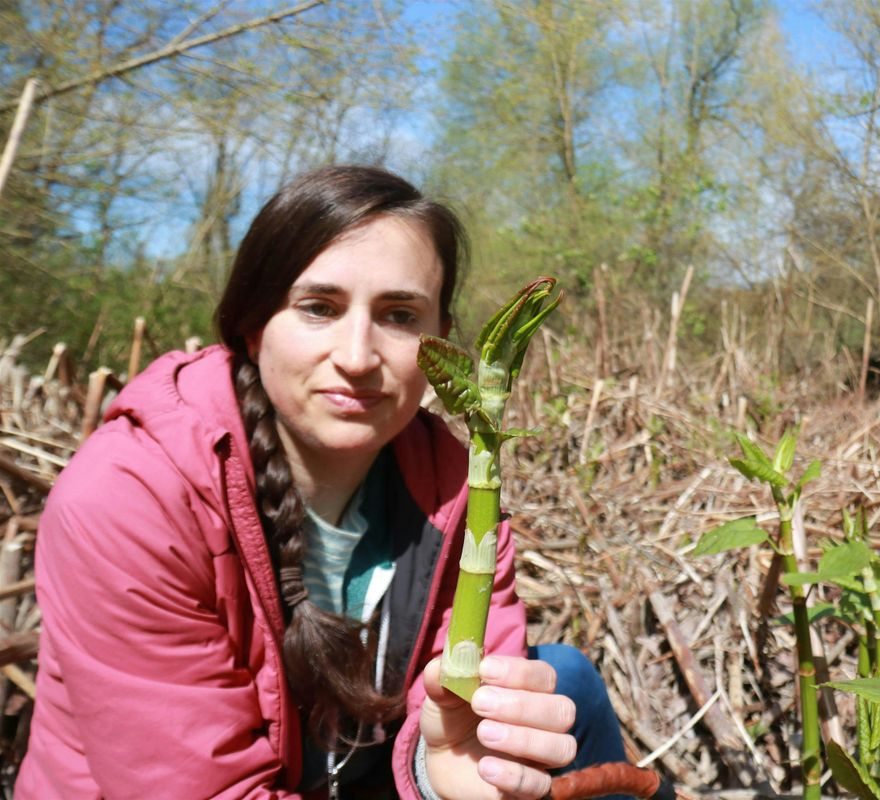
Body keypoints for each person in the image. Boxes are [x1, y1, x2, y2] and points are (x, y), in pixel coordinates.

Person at [16, 166, 628, 799]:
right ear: (253, 325)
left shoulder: (461, 497)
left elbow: (457, 723)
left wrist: (440, 778)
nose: (357, 356)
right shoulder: (129, 498)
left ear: (440, 345)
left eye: (398, 315)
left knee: (564, 678)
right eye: (319, 308)